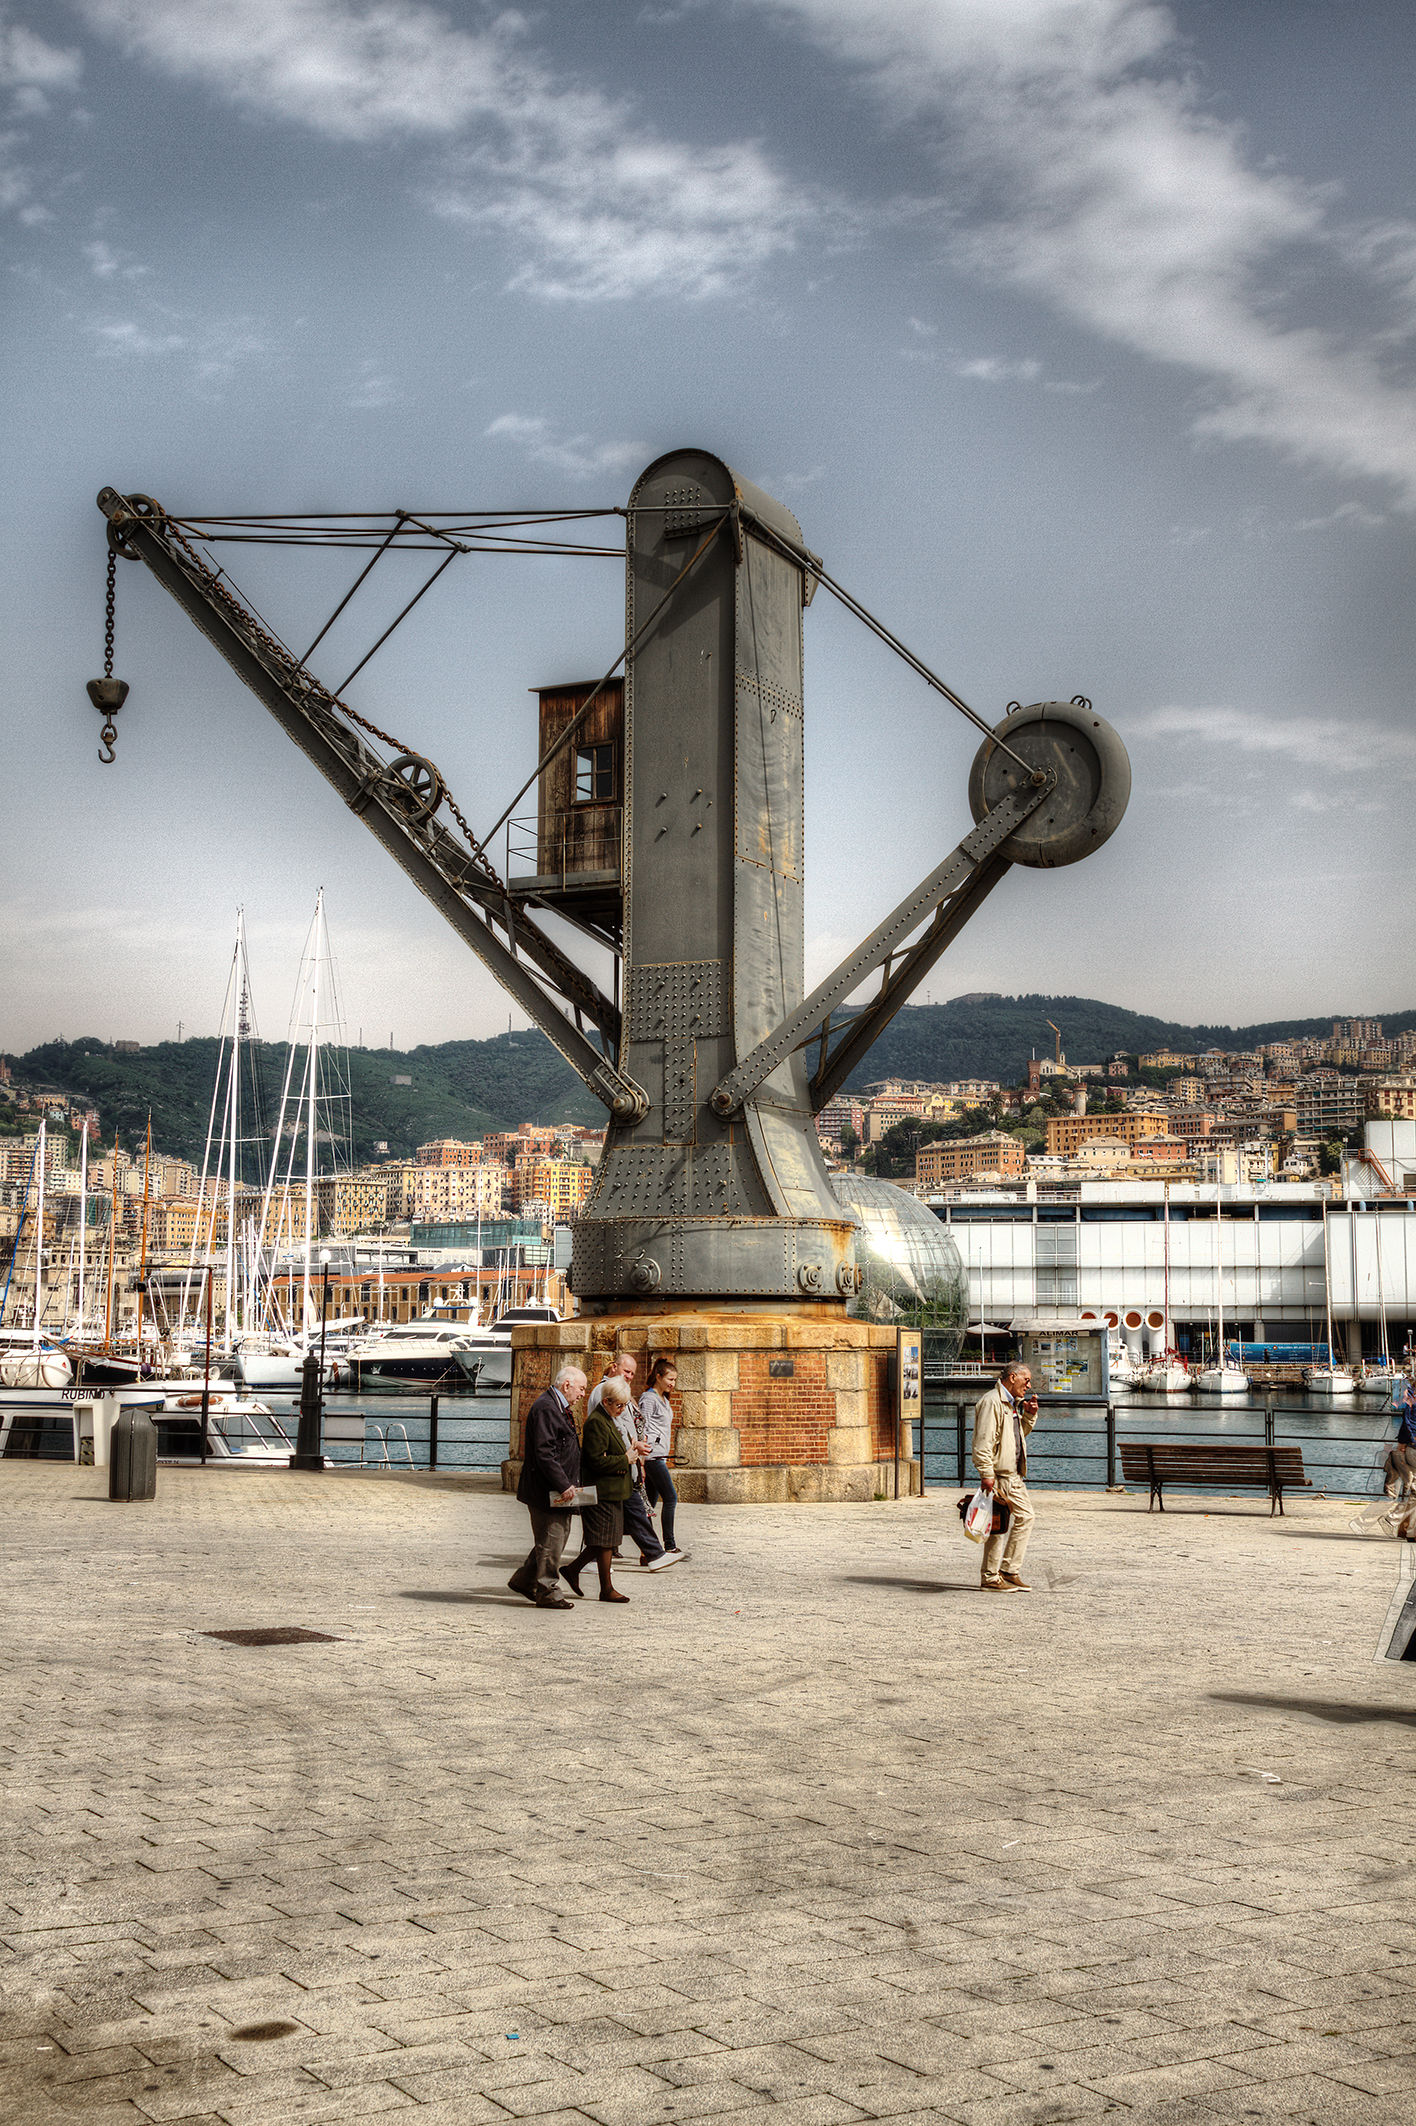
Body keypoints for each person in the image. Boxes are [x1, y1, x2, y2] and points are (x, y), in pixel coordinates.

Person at [586, 1350, 675, 1569]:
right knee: (626, 1513)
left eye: (632, 1373)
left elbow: (626, 1427)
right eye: (626, 1371)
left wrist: (636, 1451)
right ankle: (654, 1553)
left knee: (633, 1512)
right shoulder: (604, 1392)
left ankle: (652, 1554)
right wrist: (630, 1453)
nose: (629, 1376)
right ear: (614, 1367)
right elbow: (608, 1430)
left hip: (628, 1464)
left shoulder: (620, 1391)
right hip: (618, 1467)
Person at [508, 1364, 585, 1611]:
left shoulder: (556, 1406)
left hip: (555, 1489)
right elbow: (545, 1453)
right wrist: (563, 1484)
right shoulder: (547, 1408)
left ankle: (524, 1580)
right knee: (552, 1539)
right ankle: (548, 1591)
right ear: (567, 1385)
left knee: (552, 1539)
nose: (582, 1394)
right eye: (581, 1389)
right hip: (547, 1490)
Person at [562, 1375, 636, 1602]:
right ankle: (605, 1588)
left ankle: (575, 1571)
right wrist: (625, 1459)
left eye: (624, 1405)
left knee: (607, 1540)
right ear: (606, 1402)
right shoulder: (597, 1422)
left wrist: (631, 1451)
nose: (622, 1410)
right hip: (601, 1490)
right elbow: (595, 1461)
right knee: (604, 1541)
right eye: (619, 1405)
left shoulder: (610, 1419)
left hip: (613, 1490)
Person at [972, 1361, 1038, 1593]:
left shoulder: (1011, 1403)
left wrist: (1029, 1416)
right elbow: (983, 1441)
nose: (1028, 1386)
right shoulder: (992, 1402)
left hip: (1013, 1475)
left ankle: (1007, 1571)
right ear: (1012, 1377)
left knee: (1021, 1518)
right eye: (1026, 1380)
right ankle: (991, 1576)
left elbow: (1016, 1437)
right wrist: (986, 1473)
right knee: (998, 1526)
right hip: (1000, 1475)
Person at [637, 1354, 684, 1562]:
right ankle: (669, 1545)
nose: (672, 1384)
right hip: (652, 1457)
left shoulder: (664, 1399)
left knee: (648, 1505)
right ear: (658, 1377)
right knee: (671, 1498)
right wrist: (641, 1459)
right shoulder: (648, 1398)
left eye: (674, 1380)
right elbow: (642, 1426)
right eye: (670, 1379)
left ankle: (647, 1551)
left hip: (660, 1456)